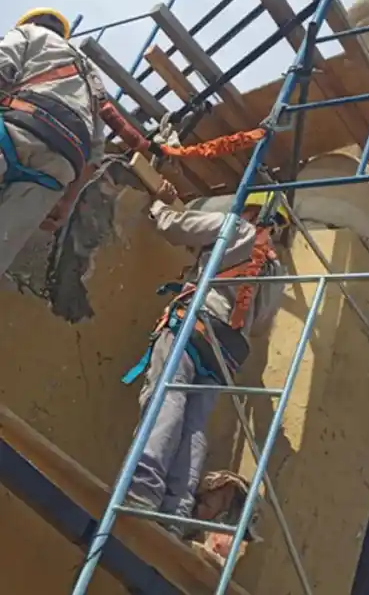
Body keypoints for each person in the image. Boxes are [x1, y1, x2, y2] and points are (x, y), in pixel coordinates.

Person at [124, 186, 288, 537]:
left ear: (251, 212)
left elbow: (175, 226)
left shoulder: (237, 228)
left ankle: (142, 490)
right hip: (227, 352)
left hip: (196, 325)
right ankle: (177, 511)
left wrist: (157, 205)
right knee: (195, 425)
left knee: (167, 398)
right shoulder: (277, 270)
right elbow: (259, 325)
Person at [0, 8, 107, 279]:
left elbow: (3, 66)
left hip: (19, 130)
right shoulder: (93, 76)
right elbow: (95, 155)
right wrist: (65, 203)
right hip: (61, 166)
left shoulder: (28, 33)